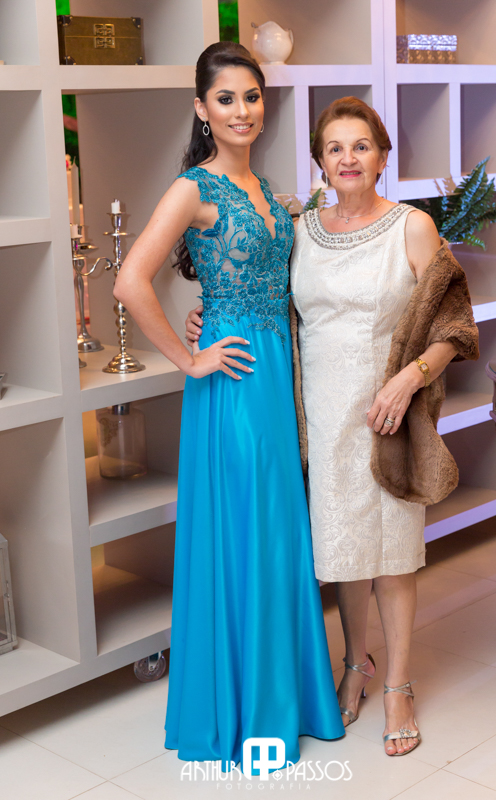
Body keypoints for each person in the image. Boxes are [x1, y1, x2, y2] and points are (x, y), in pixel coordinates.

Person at [186, 96, 479, 757]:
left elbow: (454, 322)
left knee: (392, 557)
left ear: (382, 156)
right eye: (335, 148)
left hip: (385, 413)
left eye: (361, 146)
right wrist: (207, 319)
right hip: (318, 416)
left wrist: (409, 380)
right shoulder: (301, 228)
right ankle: (354, 665)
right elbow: (260, 295)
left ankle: (398, 686)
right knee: (342, 553)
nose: (349, 158)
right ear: (320, 160)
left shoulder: (411, 227)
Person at [113, 42, 345, 772]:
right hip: (235, 383)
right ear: (201, 109)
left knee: (277, 530)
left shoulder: (268, 190)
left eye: (251, 96)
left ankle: (286, 698)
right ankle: (252, 711)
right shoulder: (193, 188)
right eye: (225, 99)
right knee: (250, 530)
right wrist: (190, 357)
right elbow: (129, 281)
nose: (241, 110)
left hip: (276, 376)